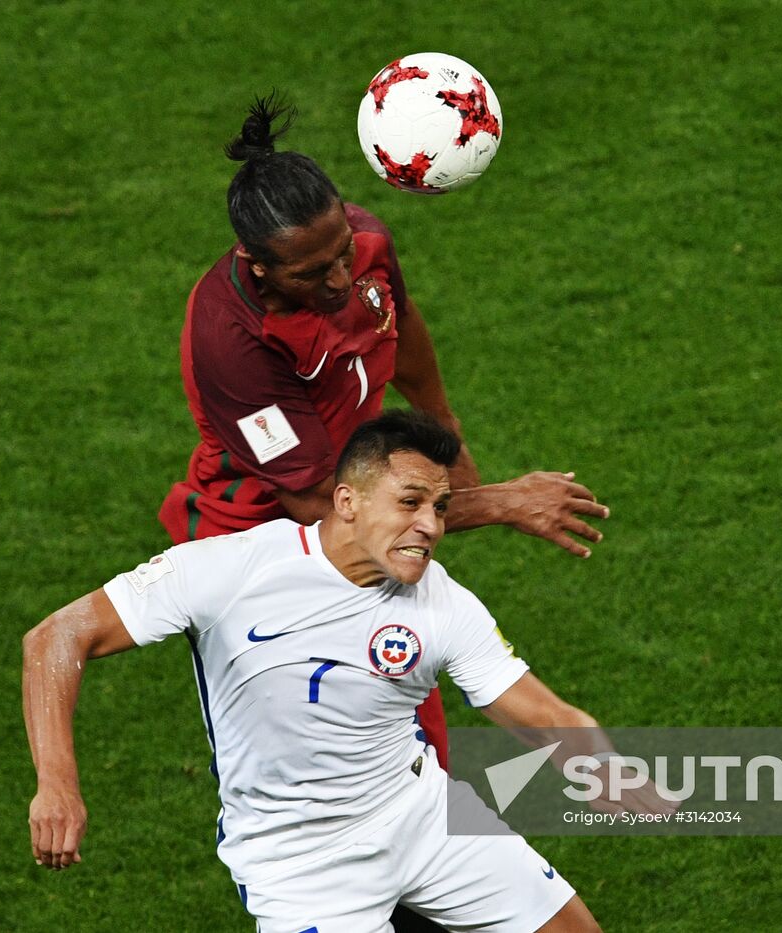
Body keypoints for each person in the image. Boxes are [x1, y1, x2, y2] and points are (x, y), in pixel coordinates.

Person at [25, 412, 674, 931]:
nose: (430, 526)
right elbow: (57, 636)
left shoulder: (441, 601)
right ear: (347, 500)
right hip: (301, 859)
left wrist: (606, 770)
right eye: (411, 501)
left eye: (442, 507)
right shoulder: (233, 569)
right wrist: (58, 786)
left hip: (420, 814)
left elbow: (544, 715)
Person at [160, 92, 610, 779]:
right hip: (262, 551)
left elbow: (398, 325)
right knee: (315, 774)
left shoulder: (361, 240)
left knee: (415, 746)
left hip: (370, 501)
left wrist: (444, 430)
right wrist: (498, 503)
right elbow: (318, 508)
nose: (342, 277)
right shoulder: (231, 340)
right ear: (258, 266)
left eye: (342, 251)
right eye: (313, 273)